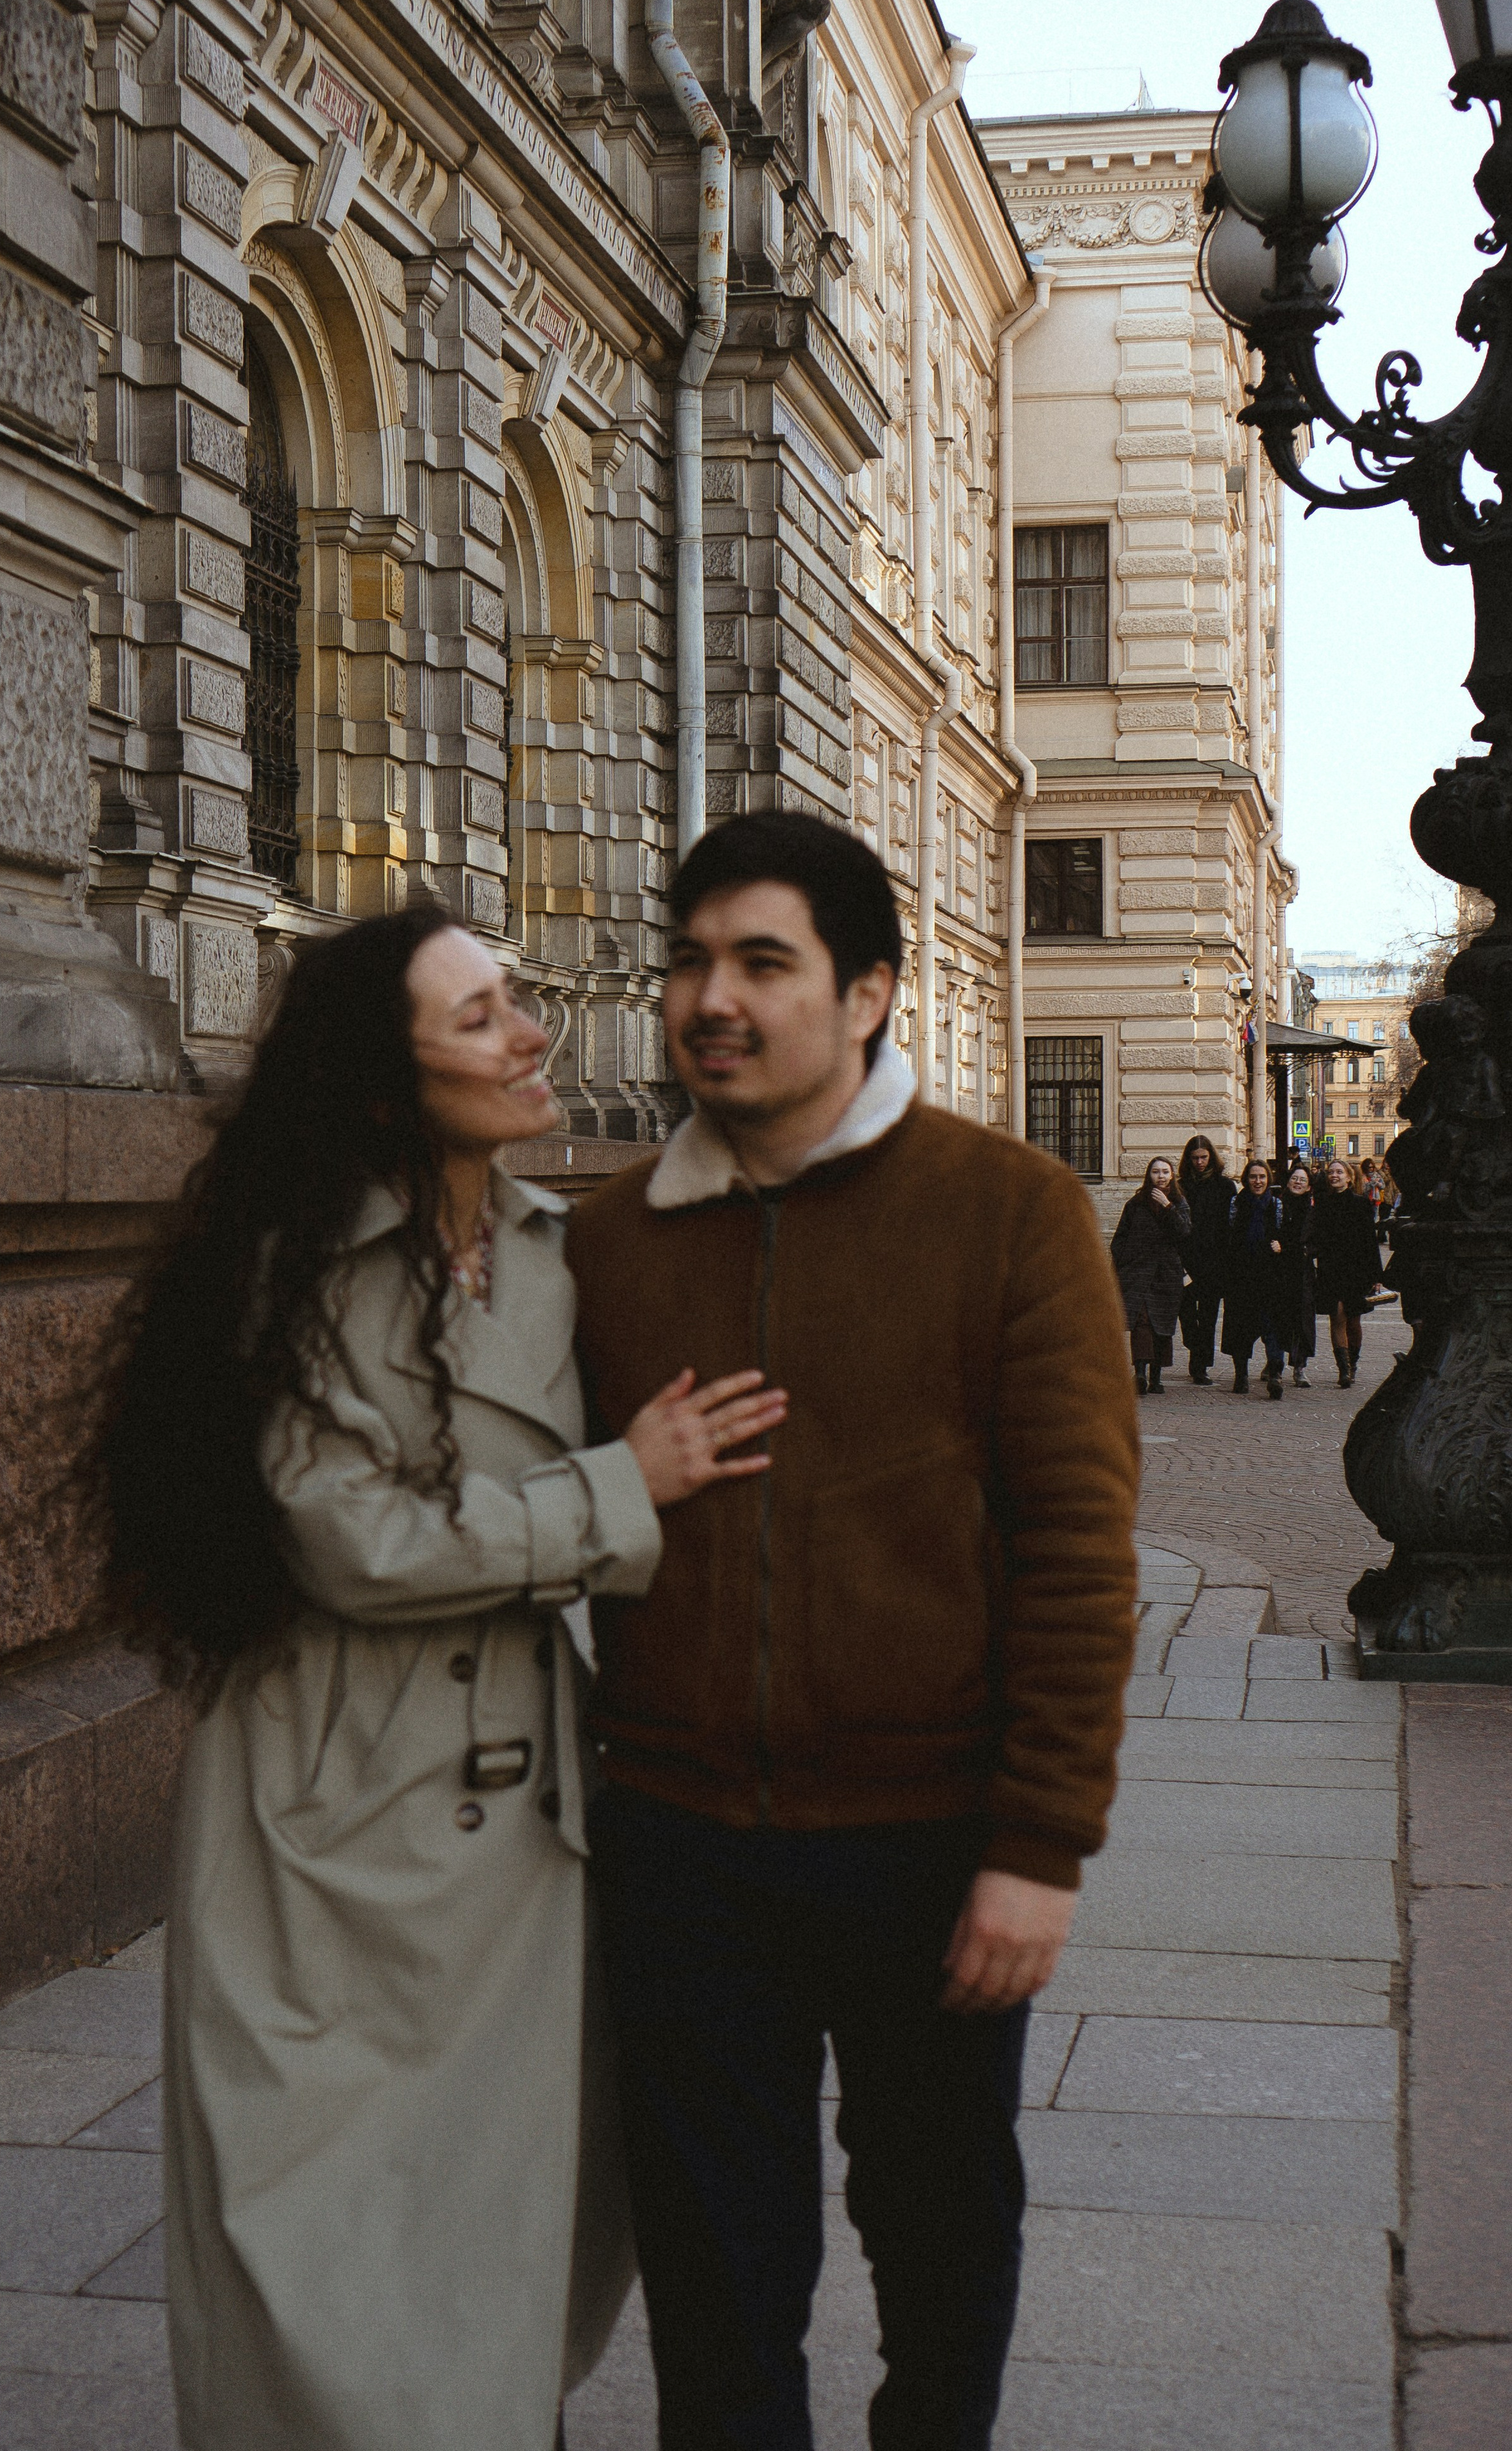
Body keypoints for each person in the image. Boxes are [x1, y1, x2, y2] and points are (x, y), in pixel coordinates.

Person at [88, 902, 786, 2451]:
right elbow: (351, 1543)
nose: (531, 1032)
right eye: (480, 1016)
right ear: (383, 1077)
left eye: (518, 999)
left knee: (490, 2241)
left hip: (521, 1819)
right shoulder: (289, 1266)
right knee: (316, 2234)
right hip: (332, 1810)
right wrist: (620, 1488)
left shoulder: (558, 1251)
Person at [565, 814, 1140, 2451]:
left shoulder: (1008, 1209)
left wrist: (1039, 1843)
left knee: (940, 2242)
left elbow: (1079, 1550)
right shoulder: (606, 1241)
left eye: (761, 961)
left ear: (869, 990)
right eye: (686, 959)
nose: (710, 998)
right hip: (679, 1846)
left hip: (928, 1841)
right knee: (715, 2273)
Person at [1111, 1157, 1193, 1395]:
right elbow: (1120, 1237)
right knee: (1141, 1321)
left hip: (1166, 1274)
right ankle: (1140, 1373)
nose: (1160, 1176)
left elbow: (1185, 1232)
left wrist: (1168, 1207)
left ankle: (1156, 1376)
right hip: (1138, 1272)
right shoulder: (1136, 1203)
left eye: (1165, 1172)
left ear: (1172, 1176)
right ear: (1149, 1176)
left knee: (1162, 1324)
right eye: (1156, 1172)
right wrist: (1125, 1261)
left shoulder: (1179, 1202)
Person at [1315, 1153, 1385, 1387]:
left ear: (1349, 1177)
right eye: (1331, 1172)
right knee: (1337, 1316)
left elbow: (1370, 1241)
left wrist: (1377, 1275)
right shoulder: (1322, 1204)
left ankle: (1353, 1363)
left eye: (1339, 1172)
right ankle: (1343, 1370)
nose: (1334, 1176)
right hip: (1331, 1269)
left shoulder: (1361, 1204)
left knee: (1354, 1321)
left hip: (1357, 1270)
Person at [1222, 1156, 1288, 1400]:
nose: (1258, 1181)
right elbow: (1229, 1233)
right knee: (1241, 1326)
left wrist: (1280, 1246)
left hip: (1269, 1274)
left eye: (1262, 1177)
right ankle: (1242, 1375)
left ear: (1268, 1179)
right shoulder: (1236, 1203)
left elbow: (1283, 1235)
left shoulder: (1276, 1205)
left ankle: (1275, 1375)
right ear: (1246, 1180)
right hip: (1241, 1274)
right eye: (1253, 1177)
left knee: (1272, 1325)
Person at [1177, 1134, 1236, 1384]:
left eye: (1203, 1157)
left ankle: (1201, 1364)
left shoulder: (1225, 1186)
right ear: (1188, 1160)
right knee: (1187, 1313)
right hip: (1188, 1259)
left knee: (1209, 1315)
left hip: (1215, 1260)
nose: (1200, 1162)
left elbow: (1231, 1225)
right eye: (1195, 1158)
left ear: (1211, 1157)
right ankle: (1194, 1348)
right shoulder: (1181, 1186)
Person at [1278, 1162, 1318, 1386]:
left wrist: (1307, 1250)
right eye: (1295, 1178)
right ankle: (1276, 1361)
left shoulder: (1314, 1210)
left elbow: (1320, 1240)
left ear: (1309, 1186)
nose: (1298, 1183)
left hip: (1302, 1271)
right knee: (1280, 1316)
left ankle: (1300, 1367)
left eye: (1303, 1180)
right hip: (1280, 1268)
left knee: (1303, 1319)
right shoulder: (1278, 1206)